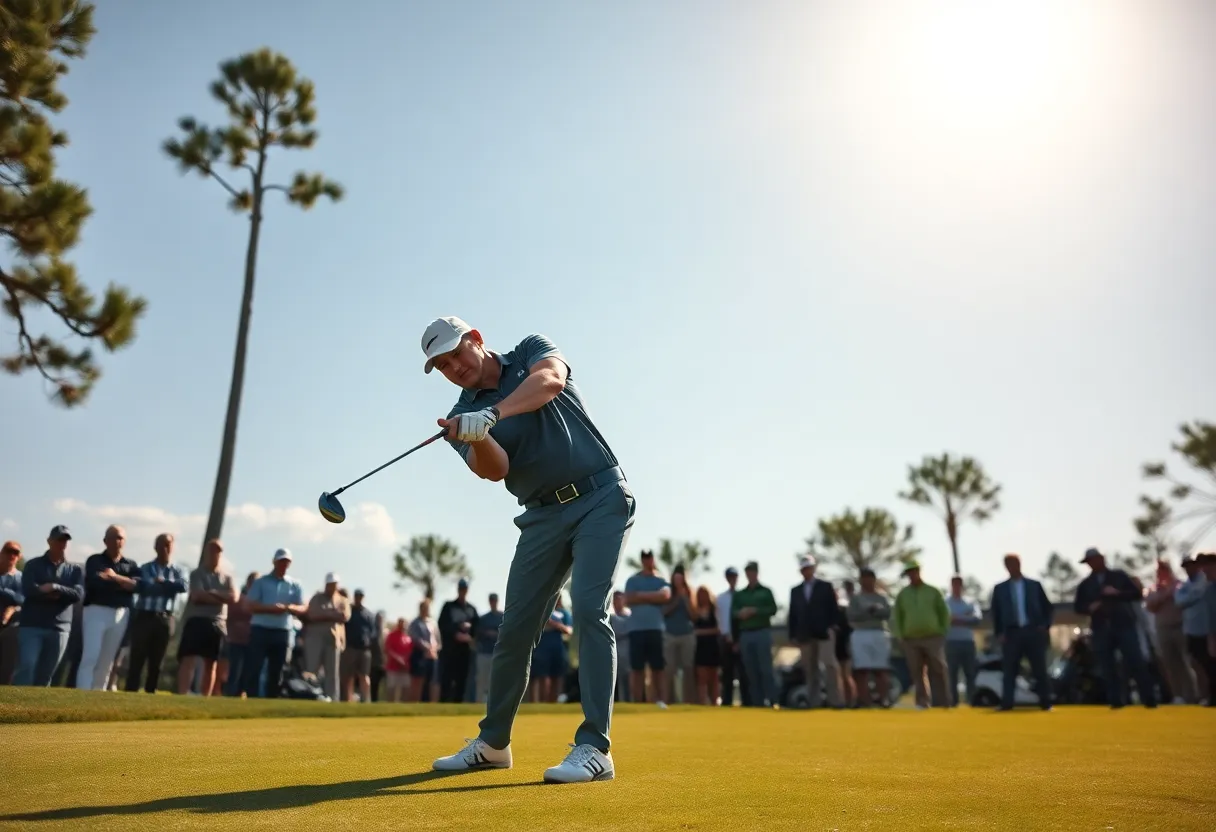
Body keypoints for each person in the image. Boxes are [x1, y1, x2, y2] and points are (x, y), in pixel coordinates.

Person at [423, 317, 635, 784]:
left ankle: (595, 748)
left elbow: (551, 381)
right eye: (443, 366)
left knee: (589, 609)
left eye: (456, 354)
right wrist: (476, 436)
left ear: (477, 339)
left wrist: (494, 415)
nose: (454, 367)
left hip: (600, 496)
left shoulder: (529, 351)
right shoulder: (460, 413)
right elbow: (495, 470)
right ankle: (493, 744)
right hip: (541, 516)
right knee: (514, 630)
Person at [1074, 547, 1157, 708]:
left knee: (1135, 661)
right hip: (1101, 628)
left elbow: (1136, 594)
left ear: (1102, 559)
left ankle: (1149, 698)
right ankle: (1115, 700)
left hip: (1123, 624)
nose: (1092, 564)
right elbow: (1078, 607)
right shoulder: (1086, 584)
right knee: (1107, 666)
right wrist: (1090, 607)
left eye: (1094, 560)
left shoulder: (1118, 576)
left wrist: (1117, 593)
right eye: (1089, 562)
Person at [15, 526, 83, 686]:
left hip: (59, 627)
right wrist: (53, 593)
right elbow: (28, 590)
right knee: (27, 665)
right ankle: (18, 699)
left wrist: (54, 587)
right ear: (49, 541)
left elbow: (77, 594)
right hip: (32, 625)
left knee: (46, 673)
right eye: (59, 539)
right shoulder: (33, 565)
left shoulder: (74, 570)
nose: (62, 543)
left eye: (65, 540)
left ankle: (36, 702)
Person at [78, 525, 143, 690]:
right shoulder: (95, 560)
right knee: (91, 655)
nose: (117, 541)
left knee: (107, 660)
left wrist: (113, 577)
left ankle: (98, 692)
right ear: (105, 541)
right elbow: (95, 583)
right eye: (113, 538)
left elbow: (138, 586)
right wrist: (123, 583)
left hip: (120, 614)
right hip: (96, 611)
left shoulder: (131, 565)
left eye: (120, 538)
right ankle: (83, 692)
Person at [989, 554, 1053, 711]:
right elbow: (996, 613)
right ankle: (1007, 703)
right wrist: (999, 633)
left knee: (1039, 669)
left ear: (1019, 564)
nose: (1011, 567)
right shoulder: (1000, 589)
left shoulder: (1034, 585)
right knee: (1009, 670)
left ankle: (1045, 702)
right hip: (1011, 634)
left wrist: (1044, 626)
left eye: (1013, 563)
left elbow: (1047, 608)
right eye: (1008, 564)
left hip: (1033, 631)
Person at [241, 549, 307, 699]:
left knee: (277, 670)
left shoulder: (294, 584)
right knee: (255, 667)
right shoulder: (261, 582)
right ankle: (252, 698)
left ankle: (272, 699)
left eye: (286, 562)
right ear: (274, 562)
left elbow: (303, 607)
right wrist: (270, 609)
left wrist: (288, 608)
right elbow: (248, 605)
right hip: (260, 629)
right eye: (281, 561)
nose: (284, 564)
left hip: (282, 631)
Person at [892, 560, 950, 709]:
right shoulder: (903, 594)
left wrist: (942, 631)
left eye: (914, 571)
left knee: (938, 668)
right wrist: (900, 635)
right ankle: (922, 702)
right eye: (909, 572)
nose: (912, 574)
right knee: (916, 671)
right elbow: (897, 616)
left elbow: (943, 612)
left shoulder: (933, 591)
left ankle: (942, 701)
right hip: (911, 638)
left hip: (933, 637)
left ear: (919, 571)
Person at [787, 555, 842, 709]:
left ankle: (835, 700)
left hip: (824, 632)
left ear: (814, 568)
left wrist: (833, 626)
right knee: (810, 670)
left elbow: (833, 608)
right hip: (805, 634)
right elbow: (793, 614)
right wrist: (792, 635)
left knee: (830, 665)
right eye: (804, 568)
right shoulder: (796, 591)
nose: (807, 571)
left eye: (809, 568)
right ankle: (814, 701)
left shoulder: (825, 586)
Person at [1145, 558, 1196, 703]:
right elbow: (1151, 606)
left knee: (1187, 662)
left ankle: (1192, 694)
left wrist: (1168, 593)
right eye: (1159, 570)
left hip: (1180, 626)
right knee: (1170, 664)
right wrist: (1165, 594)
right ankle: (1178, 695)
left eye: (1164, 569)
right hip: (1163, 629)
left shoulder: (1180, 585)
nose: (1162, 573)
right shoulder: (1153, 589)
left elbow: (1182, 601)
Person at [624, 549, 670, 706]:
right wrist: (653, 596)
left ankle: (660, 701)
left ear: (653, 559)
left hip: (655, 629)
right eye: (644, 558)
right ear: (642, 560)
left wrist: (640, 595)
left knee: (658, 667)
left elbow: (665, 596)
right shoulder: (632, 580)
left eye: (649, 557)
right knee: (637, 668)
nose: (647, 560)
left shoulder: (661, 580)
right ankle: (638, 702)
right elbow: (628, 599)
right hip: (636, 630)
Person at [732, 561, 778, 708]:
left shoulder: (765, 591)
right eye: (748, 572)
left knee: (765, 669)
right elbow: (733, 613)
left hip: (762, 632)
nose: (750, 574)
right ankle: (757, 702)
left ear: (757, 573)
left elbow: (773, 609)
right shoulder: (740, 594)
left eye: (752, 571)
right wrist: (741, 613)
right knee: (751, 670)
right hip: (746, 634)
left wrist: (755, 611)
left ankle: (772, 700)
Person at [847, 569, 892, 708]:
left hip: (879, 633)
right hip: (861, 633)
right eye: (863, 578)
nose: (866, 581)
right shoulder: (856, 599)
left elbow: (887, 613)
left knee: (881, 669)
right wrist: (866, 611)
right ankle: (865, 701)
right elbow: (851, 616)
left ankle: (884, 699)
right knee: (861, 670)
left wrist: (876, 610)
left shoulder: (881, 598)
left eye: (869, 577)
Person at [437, 578, 479, 703]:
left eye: (464, 589)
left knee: (462, 680)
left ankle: (458, 703)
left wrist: (470, 635)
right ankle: (443, 703)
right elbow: (443, 624)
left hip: (465, 650)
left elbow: (477, 626)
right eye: (461, 589)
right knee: (447, 679)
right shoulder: (448, 606)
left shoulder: (471, 608)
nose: (463, 591)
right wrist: (456, 632)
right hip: (450, 650)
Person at [944, 575, 983, 707]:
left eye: (959, 584)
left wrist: (956, 619)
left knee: (970, 673)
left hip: (968, 642)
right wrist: (965, 617)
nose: (957, 587)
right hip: (951, 642)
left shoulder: (970, 602)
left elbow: (976, 619)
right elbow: (945, 620)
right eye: (954, 584)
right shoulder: (945, 602)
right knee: (952, 674)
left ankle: (972, 700)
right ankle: (952, 701)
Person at [662, 566, 697, 704]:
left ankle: (689, 701)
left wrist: (685, 599)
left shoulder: (689, 592)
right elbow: (664, 612)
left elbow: (694, 615)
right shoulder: (668, 591)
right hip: (670, 635)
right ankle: (668, 700)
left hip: (687, 634)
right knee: (669, 669)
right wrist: (677, 599)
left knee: (688, 668)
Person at [530, 595, 572, 702]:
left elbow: (569, 630)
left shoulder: (564, 613)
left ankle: (553, 703)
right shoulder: (542, 612)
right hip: (542, 650)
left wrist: (554, 624)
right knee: (542, 677)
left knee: (556, 677)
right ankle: (542, 704)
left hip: (558, 649)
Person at [691, 585, 721, 705]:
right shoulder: (695, 612)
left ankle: (715, 701)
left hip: (713, 646)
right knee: (701, 677)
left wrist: (701, 632)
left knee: (714, 677)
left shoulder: (714, 610)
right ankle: (702, 702)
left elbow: (718, 629)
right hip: (700, 647)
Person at [0, 540, 23, 685]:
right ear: (1, 553)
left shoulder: (21, 578)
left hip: (10, 626)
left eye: (16, 552)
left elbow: (22, 599)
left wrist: (12, 606)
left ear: (19, 557)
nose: (12, 555)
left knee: (6, 667)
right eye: (9, 551)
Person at [408, 598, 440, 702]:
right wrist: (426, 647)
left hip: (433, 655)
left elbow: (438, 639)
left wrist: (435, 648)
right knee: (418, 681)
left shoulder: (433, 622)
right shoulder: (415, 623)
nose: (425, 610)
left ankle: (431, 704)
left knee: (432, 682)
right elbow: (415, 637)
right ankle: (415, 703)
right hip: (419, 655)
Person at [474, 593, 504, 703]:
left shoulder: (502, 617)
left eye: (494, 600)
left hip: (498, 654)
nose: (493, 602)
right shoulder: (483, 618)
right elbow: (477, 635)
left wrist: (495, 634)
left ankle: (497, 704)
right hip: (484, 653)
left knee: (498, 682)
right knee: (482, 681)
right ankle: (478, 704)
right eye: (491, 600)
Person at [384, 617, 413, 703]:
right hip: (393, 667)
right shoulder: (391, 636)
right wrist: (398, 659)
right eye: (401, 624)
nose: (403, 626)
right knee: (391, 690)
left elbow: (410, 652)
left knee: (405, 690)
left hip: (405, 668)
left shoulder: (408, 638)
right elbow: (388, 649)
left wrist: (405, 661)